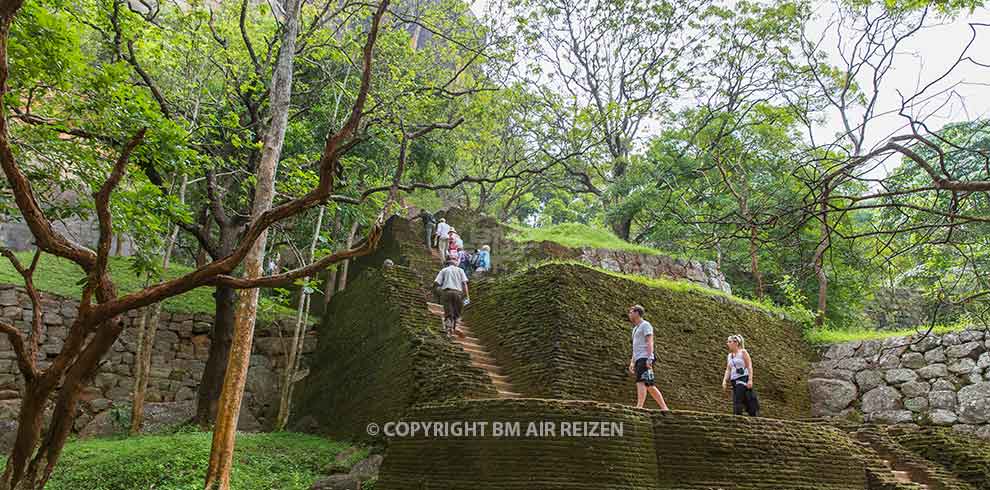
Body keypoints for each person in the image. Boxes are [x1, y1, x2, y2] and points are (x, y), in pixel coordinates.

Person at [627, 305, 670, 411]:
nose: (629, 314)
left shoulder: (646, 325)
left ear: (637, 313)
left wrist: (649, 358)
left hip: (645, 357)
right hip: (638, 358)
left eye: (631, 312)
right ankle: (664, 408)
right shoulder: (635, 329)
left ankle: (640, 406)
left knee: (641, 381)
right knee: (649, 384)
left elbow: (650, 341)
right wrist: (632, 362)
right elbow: (635, 347)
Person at [722, 334, 759, 416]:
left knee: (737, 398)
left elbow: (749, 366)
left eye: (729, 342)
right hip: (734, 379)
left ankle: (737, 415)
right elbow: (728, 369)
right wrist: (724, 380)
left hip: (743, 378)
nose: (727, 344)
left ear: (736, 343)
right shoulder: (729, 356)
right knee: (741, 397)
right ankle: (751, 413)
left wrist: (750, 380)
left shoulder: (743, 352)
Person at [434, 257, 469, 337]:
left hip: (447, 292)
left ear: (448, 263)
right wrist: (467, 296)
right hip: (458, 293)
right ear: (456, 263)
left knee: (448, 312)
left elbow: (436, 283)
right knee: (457, 312)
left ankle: (448, 330)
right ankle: (457, 326)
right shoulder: (460, 270)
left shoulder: (444, 270)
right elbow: (464, 284)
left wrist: (438, 292)